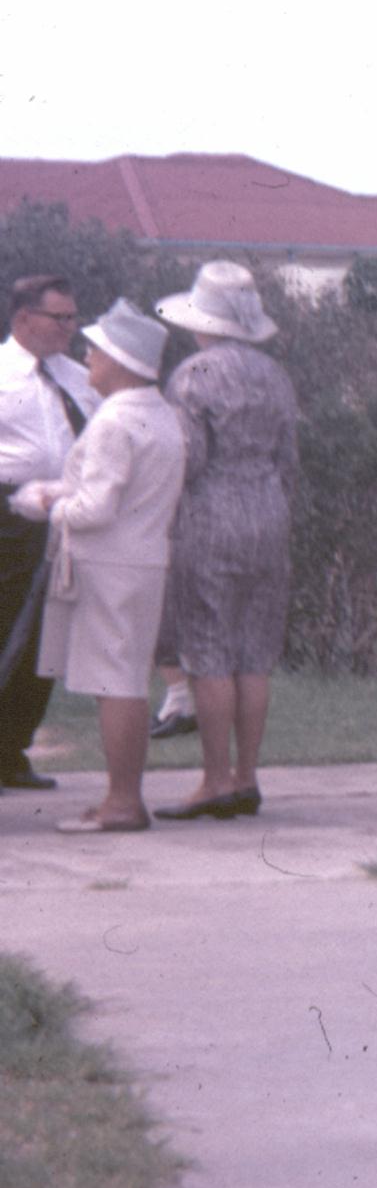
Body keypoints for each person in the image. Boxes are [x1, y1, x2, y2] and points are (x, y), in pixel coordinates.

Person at [11, 303, 186, 833]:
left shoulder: (113, 420)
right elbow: (117, 489)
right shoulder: (158, 413)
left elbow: (96, 509)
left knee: (116, 684)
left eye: (97, 350)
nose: (87, 357)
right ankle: (122, 797)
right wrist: (58, 488)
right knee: (125, 680)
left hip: (108, 565)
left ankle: (122, 802)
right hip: (142, 560)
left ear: (122, 360)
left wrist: (43, 506)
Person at [0, 273, 95, 792]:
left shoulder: (76, 377)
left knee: (43, 640)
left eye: (72, 318)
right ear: (22, 320)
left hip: (64, 516)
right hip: (7, 515)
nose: (69, 328)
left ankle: (11, 750)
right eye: (59, 317)